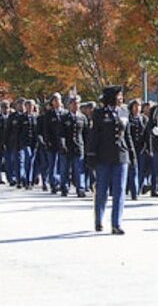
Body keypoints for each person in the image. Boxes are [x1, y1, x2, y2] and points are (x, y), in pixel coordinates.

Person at [86, 86, 135, 235]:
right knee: (102, 190)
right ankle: (99, 219)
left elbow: (127, 136)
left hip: (121, 155)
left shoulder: (125, 112)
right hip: (103, 156)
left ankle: (116, 223)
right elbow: (94, 135)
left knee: (119, 190)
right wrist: (91, 155)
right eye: (119, 95)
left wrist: (132, 154)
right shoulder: (100, 113)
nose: (121, 98)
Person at [59, 95, 88, 197]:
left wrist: (87, 147)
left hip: (78, 147)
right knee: (64, 169)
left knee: (79, 169)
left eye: (78, 103)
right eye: (74, 103)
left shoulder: (83, 117)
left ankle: (81, 188)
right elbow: (61, 133)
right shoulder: (64, 118)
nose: (76, 105)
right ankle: (64, 187)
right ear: (69, 105)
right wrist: (62, 144)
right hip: (67, 146)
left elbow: (86, 134)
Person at [43, 93, 66, 194]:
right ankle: (53, 183)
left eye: (59, 100)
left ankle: (61, 183)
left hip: (63, 143)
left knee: (62, 165)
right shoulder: (49, 114)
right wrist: (47, 141)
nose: (57, 102)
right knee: (53, 164)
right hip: (52, 143)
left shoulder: (65, 113)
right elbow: (46, 130)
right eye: (55, 100)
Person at [126, 99, 147, 201]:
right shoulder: (128, 119)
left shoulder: (143, 119)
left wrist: (147, 147)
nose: (137, 108)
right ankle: (133, 191)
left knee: (141, 170)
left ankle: (138, 189)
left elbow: (147, 134)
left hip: (141, 148)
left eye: (138, 106)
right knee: (132, 170)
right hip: (130, 147)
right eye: (135, 106)